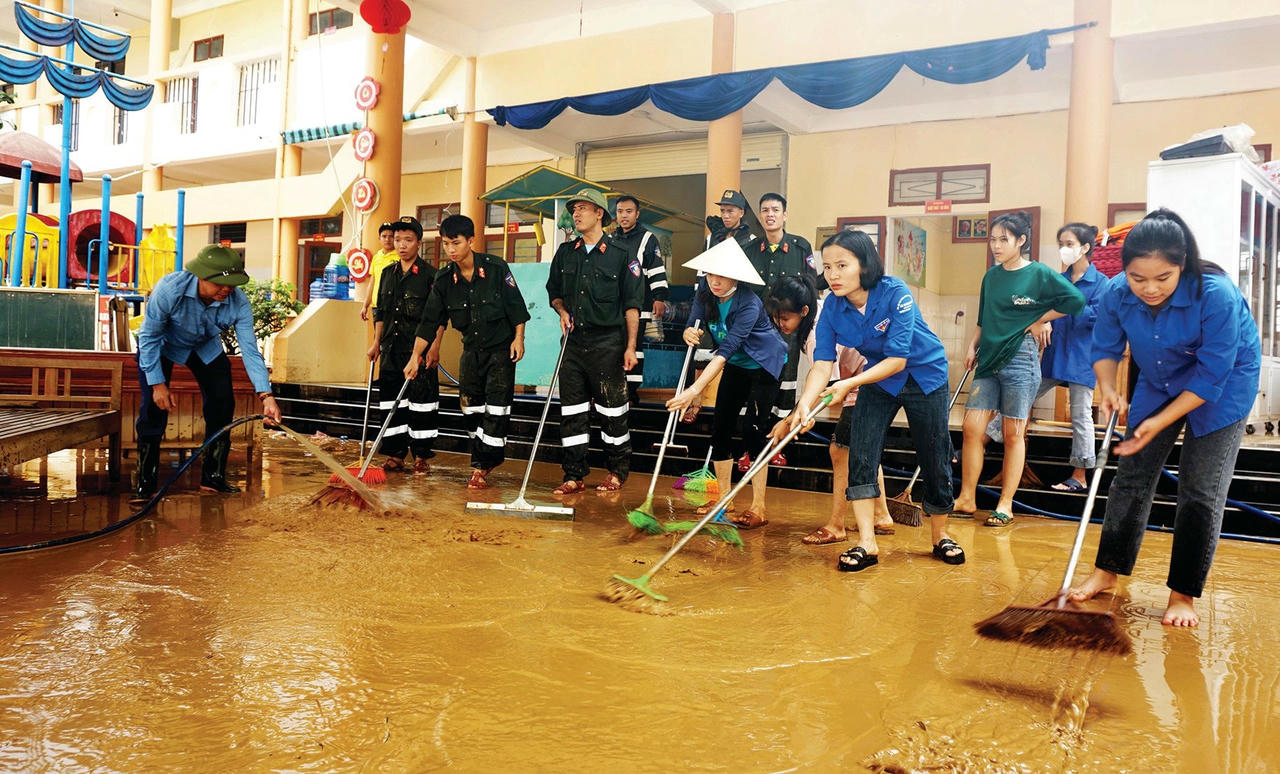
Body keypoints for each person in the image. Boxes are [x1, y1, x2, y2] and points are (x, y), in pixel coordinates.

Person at [1069, 209, 1260, 627]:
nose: (1149, 289)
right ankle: (1107, 569)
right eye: (1139, 278)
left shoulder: (1216, 295)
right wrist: (1108, 389)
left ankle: (1183, 594)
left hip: (1222, 387)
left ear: (1182, 266)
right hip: (1159, 377)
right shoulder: (1118, 292)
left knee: (1200, 489)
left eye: (1162, 278)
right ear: (1125, 271)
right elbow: (1104, 348)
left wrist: (1158, 422)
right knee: (1132, 473)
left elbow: (1212, 375)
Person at [786, 230, 963, 571]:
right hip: (878, 380)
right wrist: (804, 404)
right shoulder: (833, 310)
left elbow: (898, 359)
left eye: (841, 265)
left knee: (935, 453)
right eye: (827, 267)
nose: (833, 275)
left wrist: (848, 383)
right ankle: (866, 542)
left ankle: (940, 535)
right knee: (861, 452)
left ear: (864, 265)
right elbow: (822, 364)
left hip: (924, 375)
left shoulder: (895, 292)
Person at [953, 211, 1086, 527]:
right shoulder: (991, 276)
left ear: (1021, 240)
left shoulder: (1039, 274)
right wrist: (972, 347)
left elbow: (1076, 301)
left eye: (1003, 239)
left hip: (1021, 361)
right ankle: (967, 497)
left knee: (1013, 433)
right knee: (973, 428)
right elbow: (984, 319)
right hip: (988, 359)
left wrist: (1040, 319)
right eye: (993, 239)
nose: (996, 246)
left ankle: (1005, 504)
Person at [133, 244, 282, 501]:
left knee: (222, 402)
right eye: (220, 284)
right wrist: (157, 384)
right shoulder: (170, 289)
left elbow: (249, 349)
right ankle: (145, 482)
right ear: (201, 276)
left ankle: (213, 477)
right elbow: (149, 337)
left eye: (232, 285)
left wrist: (266, 395)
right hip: (163, 346)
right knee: (152, 410)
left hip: (204, 347)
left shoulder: (238, 303)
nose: (227, 290)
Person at [666, 239, 786, 529]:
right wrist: (687, 333)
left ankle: (759, 506)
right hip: (735, 364)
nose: (715, 281)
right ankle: (724, 499)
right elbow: (694, 321)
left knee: (753, 430)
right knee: (721, 427)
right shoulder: (706, 292)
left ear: (736, 276)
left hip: (763, 365)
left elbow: (723, 353)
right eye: (710, 274)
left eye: (721, 275)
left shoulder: (749, 305)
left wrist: (695, 391)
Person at [764, 275, 892, 544]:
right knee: (861, 448)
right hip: (864, 377)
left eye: (785, 318)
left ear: (804, 311)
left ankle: (837, 525)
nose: (780, 324)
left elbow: (829, 387)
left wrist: (792, 419)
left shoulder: (815, 333)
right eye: (776, 318)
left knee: (840, 450)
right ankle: (881, 515)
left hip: (868, 378)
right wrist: (794, 416)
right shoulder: (817, 312)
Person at [405, 214, 529, 489]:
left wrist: (519, 339)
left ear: (470, 241)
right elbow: (430, 321)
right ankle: (488, 456)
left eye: (456, 243)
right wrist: (416, 356)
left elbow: (516, 307)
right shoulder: (444, 278)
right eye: (446, 243)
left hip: (500, 351)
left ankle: (481, 466)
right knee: (471, 410)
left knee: (497, 409)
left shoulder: (496, 268)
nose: (450, 249)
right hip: (471, 351)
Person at [985, 222, 1108, 491]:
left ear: (1085, 248)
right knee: (1021, 397)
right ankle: (980, 442)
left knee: (1081, 415)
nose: (1064, 249)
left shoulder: (1101, 283)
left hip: (1082, 357)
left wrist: (1065, 308)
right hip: (1053, 355)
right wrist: (1043, 321)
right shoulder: (1056, 280)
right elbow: (1036, 310)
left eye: (1069, 244)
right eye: (1061, 244)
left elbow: (1099, 317)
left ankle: (1079, 475)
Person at [546, 188, 644, 493]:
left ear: (599, 213)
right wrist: (561, 311)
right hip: (573, 345)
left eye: (583, 209)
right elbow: (554, 293)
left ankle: (617, 471)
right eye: (574, 209)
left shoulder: (622, 254)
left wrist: (630, 347)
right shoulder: (566, 252)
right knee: (572, 414)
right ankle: (573, 475)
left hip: (608, 344)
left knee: (613, 413)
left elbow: (632, 306)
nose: (576, 214)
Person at [680, 189, 761, 426]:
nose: (726, 215)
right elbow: (702, 273)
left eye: (731, 211)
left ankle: (742, 408)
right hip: (710, 298)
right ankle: (696, 401)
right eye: (723, 211)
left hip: (737, 303)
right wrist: (700, 301)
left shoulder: (752, 240)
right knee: (701, 348)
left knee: (735, 354)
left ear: (741, 213)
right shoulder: (712, 237)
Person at [368, 216, 438, 472]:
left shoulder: (431, 275)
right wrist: (376, 343)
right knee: (390, 403)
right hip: (391, 349)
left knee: (422, 403)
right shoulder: (387, 274)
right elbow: (381, 312)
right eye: (397, 240)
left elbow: (437, 317)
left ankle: (421, 456)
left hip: (418, 349)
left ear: (419, 242)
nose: (401, 245)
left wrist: (434, 346)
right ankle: (395, 454)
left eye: (408, 240)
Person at [611, 195, 670, 403]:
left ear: (637, 214)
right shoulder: (610, 239)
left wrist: (659, 297)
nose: (624, 216)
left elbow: (656, 269)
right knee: (614, 346)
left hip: (640, 305)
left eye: (628, 211)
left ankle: (631, 392)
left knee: (634, 346)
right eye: (620, 211)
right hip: (614, 308)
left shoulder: (648, 239)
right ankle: (615, 387)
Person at [360, 221, 398, 322]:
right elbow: (372, 283)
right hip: (377, 306)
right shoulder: (376, 257)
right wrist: (365, 306)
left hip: (393, 306)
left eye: (391, 236)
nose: (387, 239)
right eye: (384, 236)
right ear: (379, 238)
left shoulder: (400, 257)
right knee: (378, 337)